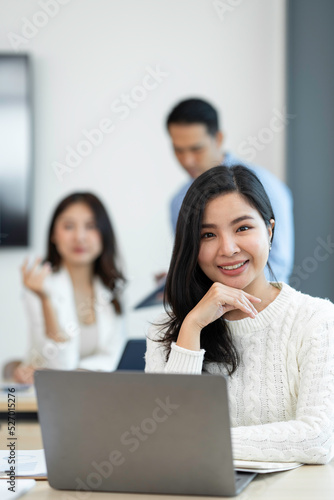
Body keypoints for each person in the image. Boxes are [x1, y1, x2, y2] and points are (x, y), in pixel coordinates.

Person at [145, 165, 334, 464]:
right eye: (208, 234)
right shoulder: (165, 331)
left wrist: (199, 438)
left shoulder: (316, 319)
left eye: (243, 228)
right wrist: (192, 326)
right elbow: (164, 440)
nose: (228, 248)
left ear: (270, 231)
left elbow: (317, 438)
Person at [167, 98, 294, 283]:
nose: (187, 160)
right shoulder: (178, 202)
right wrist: (179, 282)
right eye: (179, 150)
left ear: (218, 138)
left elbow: (280, 265)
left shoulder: (265, 186)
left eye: (196, 149)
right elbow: (193, 262)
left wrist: (238, 295)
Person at [13, 192, 127, 384]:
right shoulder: (39, 286)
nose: (80, 237)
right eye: (68, 227)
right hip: (45, 396)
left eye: (90, 226)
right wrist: (45, 300)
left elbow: (114, 357)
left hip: (96, 392)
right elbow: (58, 364)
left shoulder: (113, 285)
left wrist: (78, 373)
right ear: (53, 235)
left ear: (104, 235)